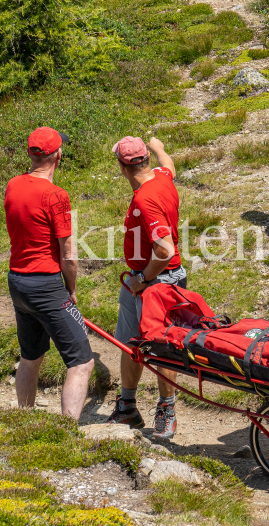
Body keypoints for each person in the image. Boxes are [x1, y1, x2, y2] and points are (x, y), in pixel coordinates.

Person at [4, 127, 94, 420]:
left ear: (30, 153)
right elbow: (68, 254)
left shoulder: (13, 185)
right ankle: (68, 431)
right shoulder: (56, 195)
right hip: (46, 284)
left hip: (17, 281)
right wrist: (71, 289)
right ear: (58, 155)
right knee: (81, 362)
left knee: (31, 357)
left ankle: (25, 420)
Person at [107, 136, 187, 440]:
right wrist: (159, 147)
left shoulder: (145, 199)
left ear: (122, 167)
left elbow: (164, 250)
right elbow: (170, 166)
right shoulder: (161, 177)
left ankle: (167, 409)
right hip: (137, 280)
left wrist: (144, 280)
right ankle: (127, 405)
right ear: (145, 161)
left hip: (157, 283)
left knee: (162, 348)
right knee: (129, 342)